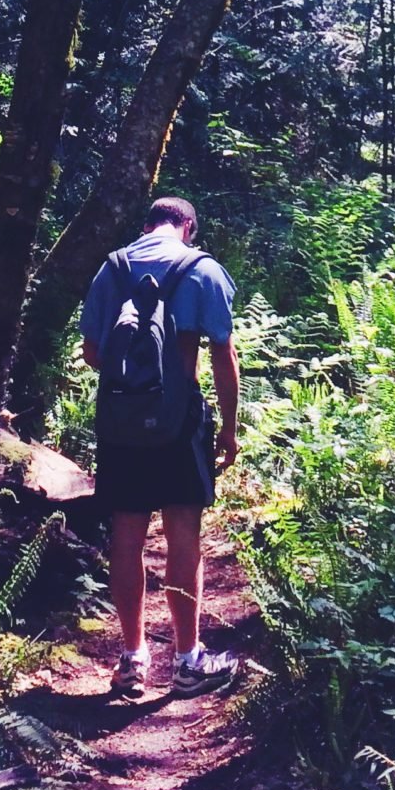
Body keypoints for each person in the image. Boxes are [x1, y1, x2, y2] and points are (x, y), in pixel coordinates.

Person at [80, 195, 240, 698]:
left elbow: (91, 352)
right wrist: (229, 429)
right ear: (187, 227)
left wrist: (133, 384)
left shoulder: (113, 269)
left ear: (147, 224)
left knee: (126, 535)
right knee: (182, 534)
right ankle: (188, 661)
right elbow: (223, 357)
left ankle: (131, 659)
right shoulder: (201, 270)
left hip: (121, 423)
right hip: (179, 420)